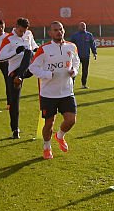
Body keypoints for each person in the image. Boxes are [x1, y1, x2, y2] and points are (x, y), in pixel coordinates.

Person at [28, 21, 79, 160]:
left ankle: (60, 135)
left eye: (60, 29)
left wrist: (74, 71)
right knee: (49, 123)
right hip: (48, 94)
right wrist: (46, 74)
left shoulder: (72, 46)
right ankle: (47, 146)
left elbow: (76, 62)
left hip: (67, 91)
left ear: (64, 30)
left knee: (71, 120)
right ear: (50, 33)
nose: (58, 32)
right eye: (55, 30)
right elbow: (33, 68)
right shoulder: (44, 49)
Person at [0, 17, 39, 139]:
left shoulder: (28, 34)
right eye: (21, 31)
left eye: (25, 31)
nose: (23, 33)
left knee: (29, 52)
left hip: (27, 70)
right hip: (14, 72)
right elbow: (0, 58)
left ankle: (21, 76)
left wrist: (38, 50)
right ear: (16, 27)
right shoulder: (8, 39)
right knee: (14, 102)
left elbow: (34, 46)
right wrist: (15, 51)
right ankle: (15, 129)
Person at [69, 21, 97, 89]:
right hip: (77, 56)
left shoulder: (89, 35)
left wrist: (94, 52)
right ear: (79, 27)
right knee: (74, 70)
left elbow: (92, 44)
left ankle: (83, 84)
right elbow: (71, 46)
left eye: (84, 26)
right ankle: (71, 85)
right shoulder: (75, 35)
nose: (83, 27)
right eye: (82, 26)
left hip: (86, 56)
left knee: (85, 71)